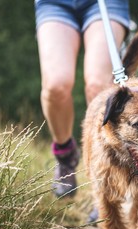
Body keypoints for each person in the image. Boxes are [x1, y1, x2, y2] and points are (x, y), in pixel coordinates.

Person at [34, 0, 130, 197]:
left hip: (104, 3)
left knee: (98, 85)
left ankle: (106, 182)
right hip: (54, 4)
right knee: (55, 86)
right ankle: (65, 155)